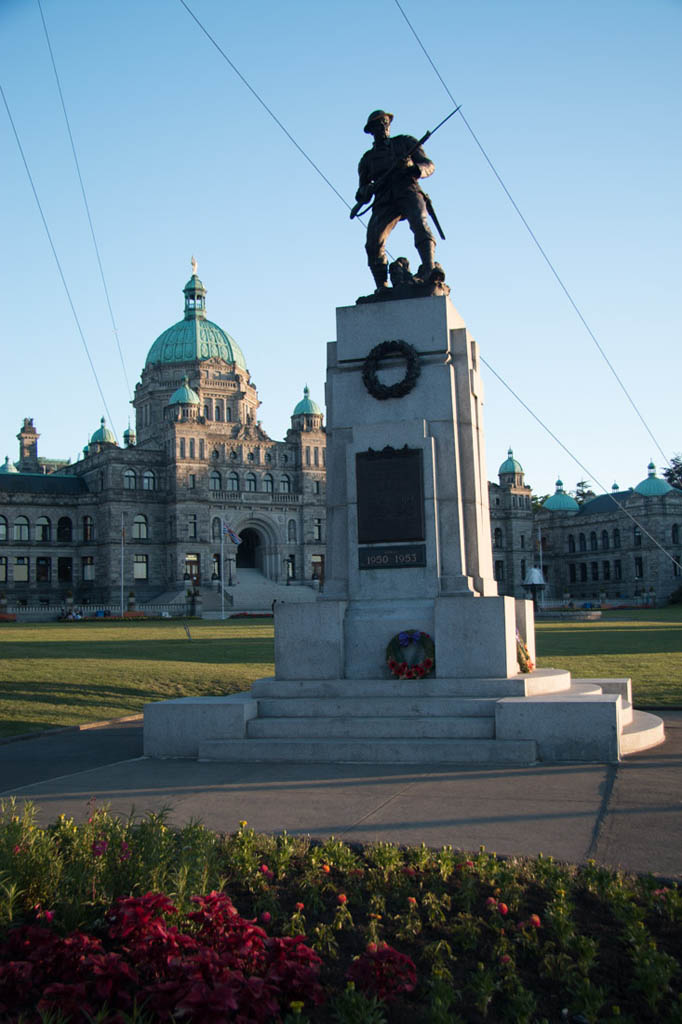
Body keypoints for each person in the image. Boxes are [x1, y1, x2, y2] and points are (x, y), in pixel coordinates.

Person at [355, 110, 437, 292]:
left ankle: (430, 269)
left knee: (420, 224)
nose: (383, 127)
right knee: (373, 242)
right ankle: (381, 286)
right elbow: (361, 192)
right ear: (371, 130)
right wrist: (366, 190)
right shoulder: (368, 159)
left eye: (385, 123)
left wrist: (412, 167)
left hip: (408, 190)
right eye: (379, 124)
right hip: (384, 199)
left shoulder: (405, 143)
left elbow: (429, 166)